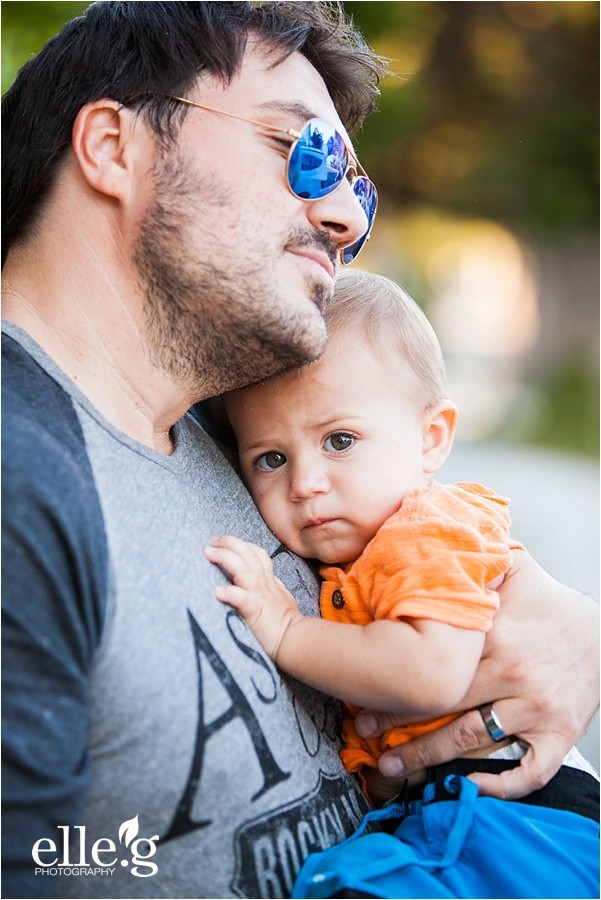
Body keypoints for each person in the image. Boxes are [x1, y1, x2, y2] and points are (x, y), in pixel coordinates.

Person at [1, 3, 598, 899]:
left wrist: (570, 623)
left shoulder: (227, 422)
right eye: (299, 147)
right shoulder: (22, 483)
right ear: (114, 148)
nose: (337, 217)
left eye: (355, 189)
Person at [206, 268, 600, 818]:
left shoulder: (427, 530)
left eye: (339, 441)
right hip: (453, 809)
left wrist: (289, 631)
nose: (304, 483)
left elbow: (430, 671)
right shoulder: (357, 549)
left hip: (522, 806)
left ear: (429, 439)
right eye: (271, 458)